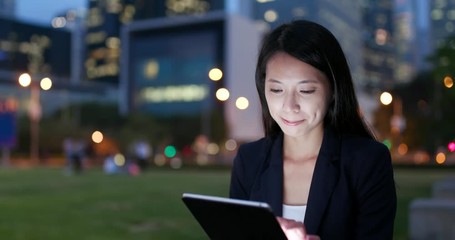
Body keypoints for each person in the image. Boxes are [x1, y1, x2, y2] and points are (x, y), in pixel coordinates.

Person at [229, 20, 396, 240]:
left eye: (306, 90)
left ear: (333, 90)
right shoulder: (249, 160)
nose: (289, 106)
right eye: (277, 89)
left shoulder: (367, 161)